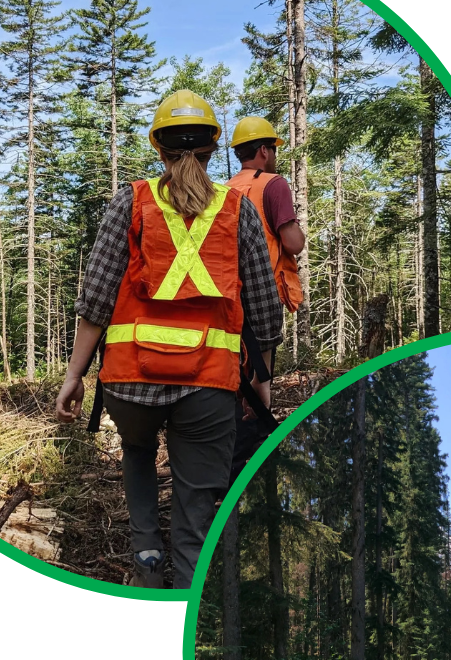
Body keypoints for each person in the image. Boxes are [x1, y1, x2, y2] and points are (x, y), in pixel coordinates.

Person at [54, 90, 283, 590]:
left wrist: (74, 376)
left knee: (136, 450)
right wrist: (262, 383)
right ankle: (188, 587)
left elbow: (95, 298)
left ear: (159, 147)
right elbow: (265, 310)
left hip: (130, 381)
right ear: (212, 150)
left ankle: (146, 555)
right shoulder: (237, 210)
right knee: (197, 496)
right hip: (209, 387)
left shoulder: (130, 201)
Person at [226, 117, 305, 319]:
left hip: (230, 292)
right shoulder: (274, 183)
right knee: (263, 351)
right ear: (263, 150)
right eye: (273, 150)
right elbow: (294, 244)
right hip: (263, 293)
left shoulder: (224, 189)